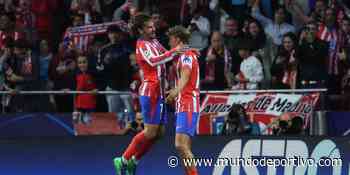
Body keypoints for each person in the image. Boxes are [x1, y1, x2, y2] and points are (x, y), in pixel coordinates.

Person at [113, 13, 182, 175]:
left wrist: (185, 51)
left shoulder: (155, 41)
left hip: (161, 92)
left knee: (159, 133)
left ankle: (134, 161)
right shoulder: (142, 45)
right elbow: (155, 61)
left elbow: (168, 55)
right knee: (150, 132)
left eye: (153, 26)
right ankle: (122, 159)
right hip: (150, 91)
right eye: (149, 27)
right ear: (140, 30)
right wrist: (174, 51)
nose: (153, 29)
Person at [165, 25, 200, 175]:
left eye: (170, 39)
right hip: (183, 102)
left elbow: (185, 77)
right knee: (184, 147)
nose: (169, 43)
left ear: (177, 39)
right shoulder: (187, 54)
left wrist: (174, 92)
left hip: (188, 103)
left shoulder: (186, 55)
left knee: (180, 145)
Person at [73, 54, 97, 124]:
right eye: (80, 63)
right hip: (78, 105)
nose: (82, 64)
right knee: (79, 126)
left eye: (84, 62)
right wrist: (67, 89)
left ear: (88, 62)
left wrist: (96, 89)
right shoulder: (75, 74)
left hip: (90, 105)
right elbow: (73, 88)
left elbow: (99, 85)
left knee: (89, 125)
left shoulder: (93, 74)